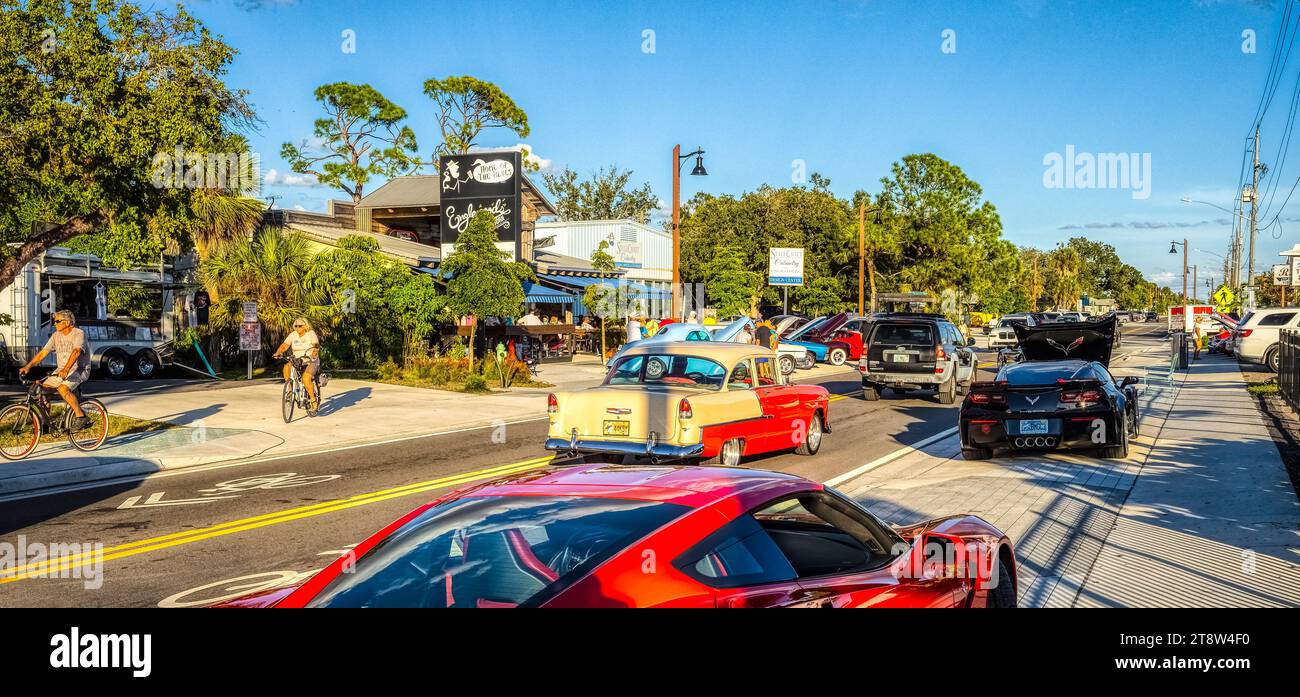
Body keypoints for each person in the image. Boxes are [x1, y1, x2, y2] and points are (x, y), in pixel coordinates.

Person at [18, 310, 92, 430]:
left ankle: (81, 417)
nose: (54, 324)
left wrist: (66, 370)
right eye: (54, 321)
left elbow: (76, 351)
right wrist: (28, 366)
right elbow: (43, 352)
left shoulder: (78, 333)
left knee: (63, 389)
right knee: (43, 390)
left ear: (67, 322)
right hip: (61, 370)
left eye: (57, 321)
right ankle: (46, 424)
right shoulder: (55, 336)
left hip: (79, 369)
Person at [273, 318, 321, 414]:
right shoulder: (293, 335)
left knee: (306, 379)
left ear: (305, 326)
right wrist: (278, 352)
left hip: (310, 360)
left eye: (300, 326)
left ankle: (313, 400)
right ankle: (290, 389)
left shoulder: (311, 333)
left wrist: (314, 354)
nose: (297, 328)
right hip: (297, 360)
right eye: (295, 326)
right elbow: (285, 345)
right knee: (286, 367)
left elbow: (316, 346)